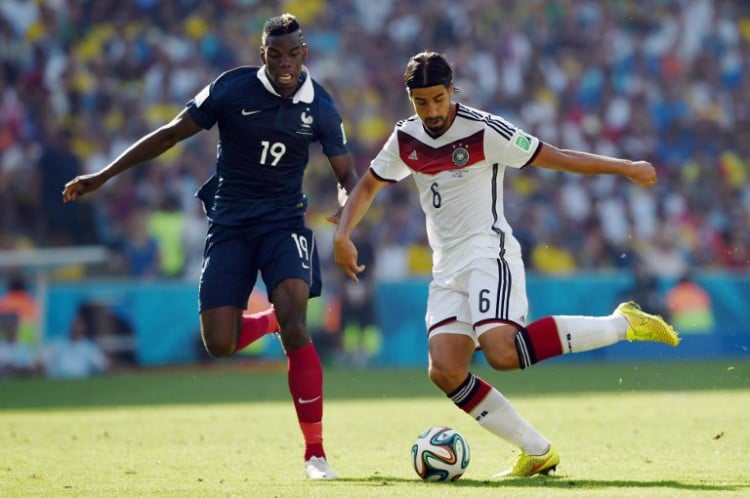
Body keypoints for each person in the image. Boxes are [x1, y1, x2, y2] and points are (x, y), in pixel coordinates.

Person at [333, 52, 680, 478]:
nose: (432, 111)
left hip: (487, 252)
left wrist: (624, 168)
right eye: (421, 103)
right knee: (444, 370)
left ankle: (622, 324)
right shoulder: (405, 138)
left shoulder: (483, 130)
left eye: (438, 99)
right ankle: (536, 450)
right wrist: (343, 234)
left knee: (501, 352)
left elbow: (555, 156)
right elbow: (368, 186)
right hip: (446, 269)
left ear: (452, 92)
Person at [62, 13, 358, 480]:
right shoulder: (231, 88)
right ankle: (270, 323)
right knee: (219, 343)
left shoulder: (320, 106)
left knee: (297, 321)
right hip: (231, 223)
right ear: (262, 55)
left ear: (305, 53)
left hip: (283, 223)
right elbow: (169, 134)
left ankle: (315, 453)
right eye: (275, 54)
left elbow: (348, 178)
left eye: (292, 53)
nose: (284, 63)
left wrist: (344, 220)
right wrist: (102, 175)